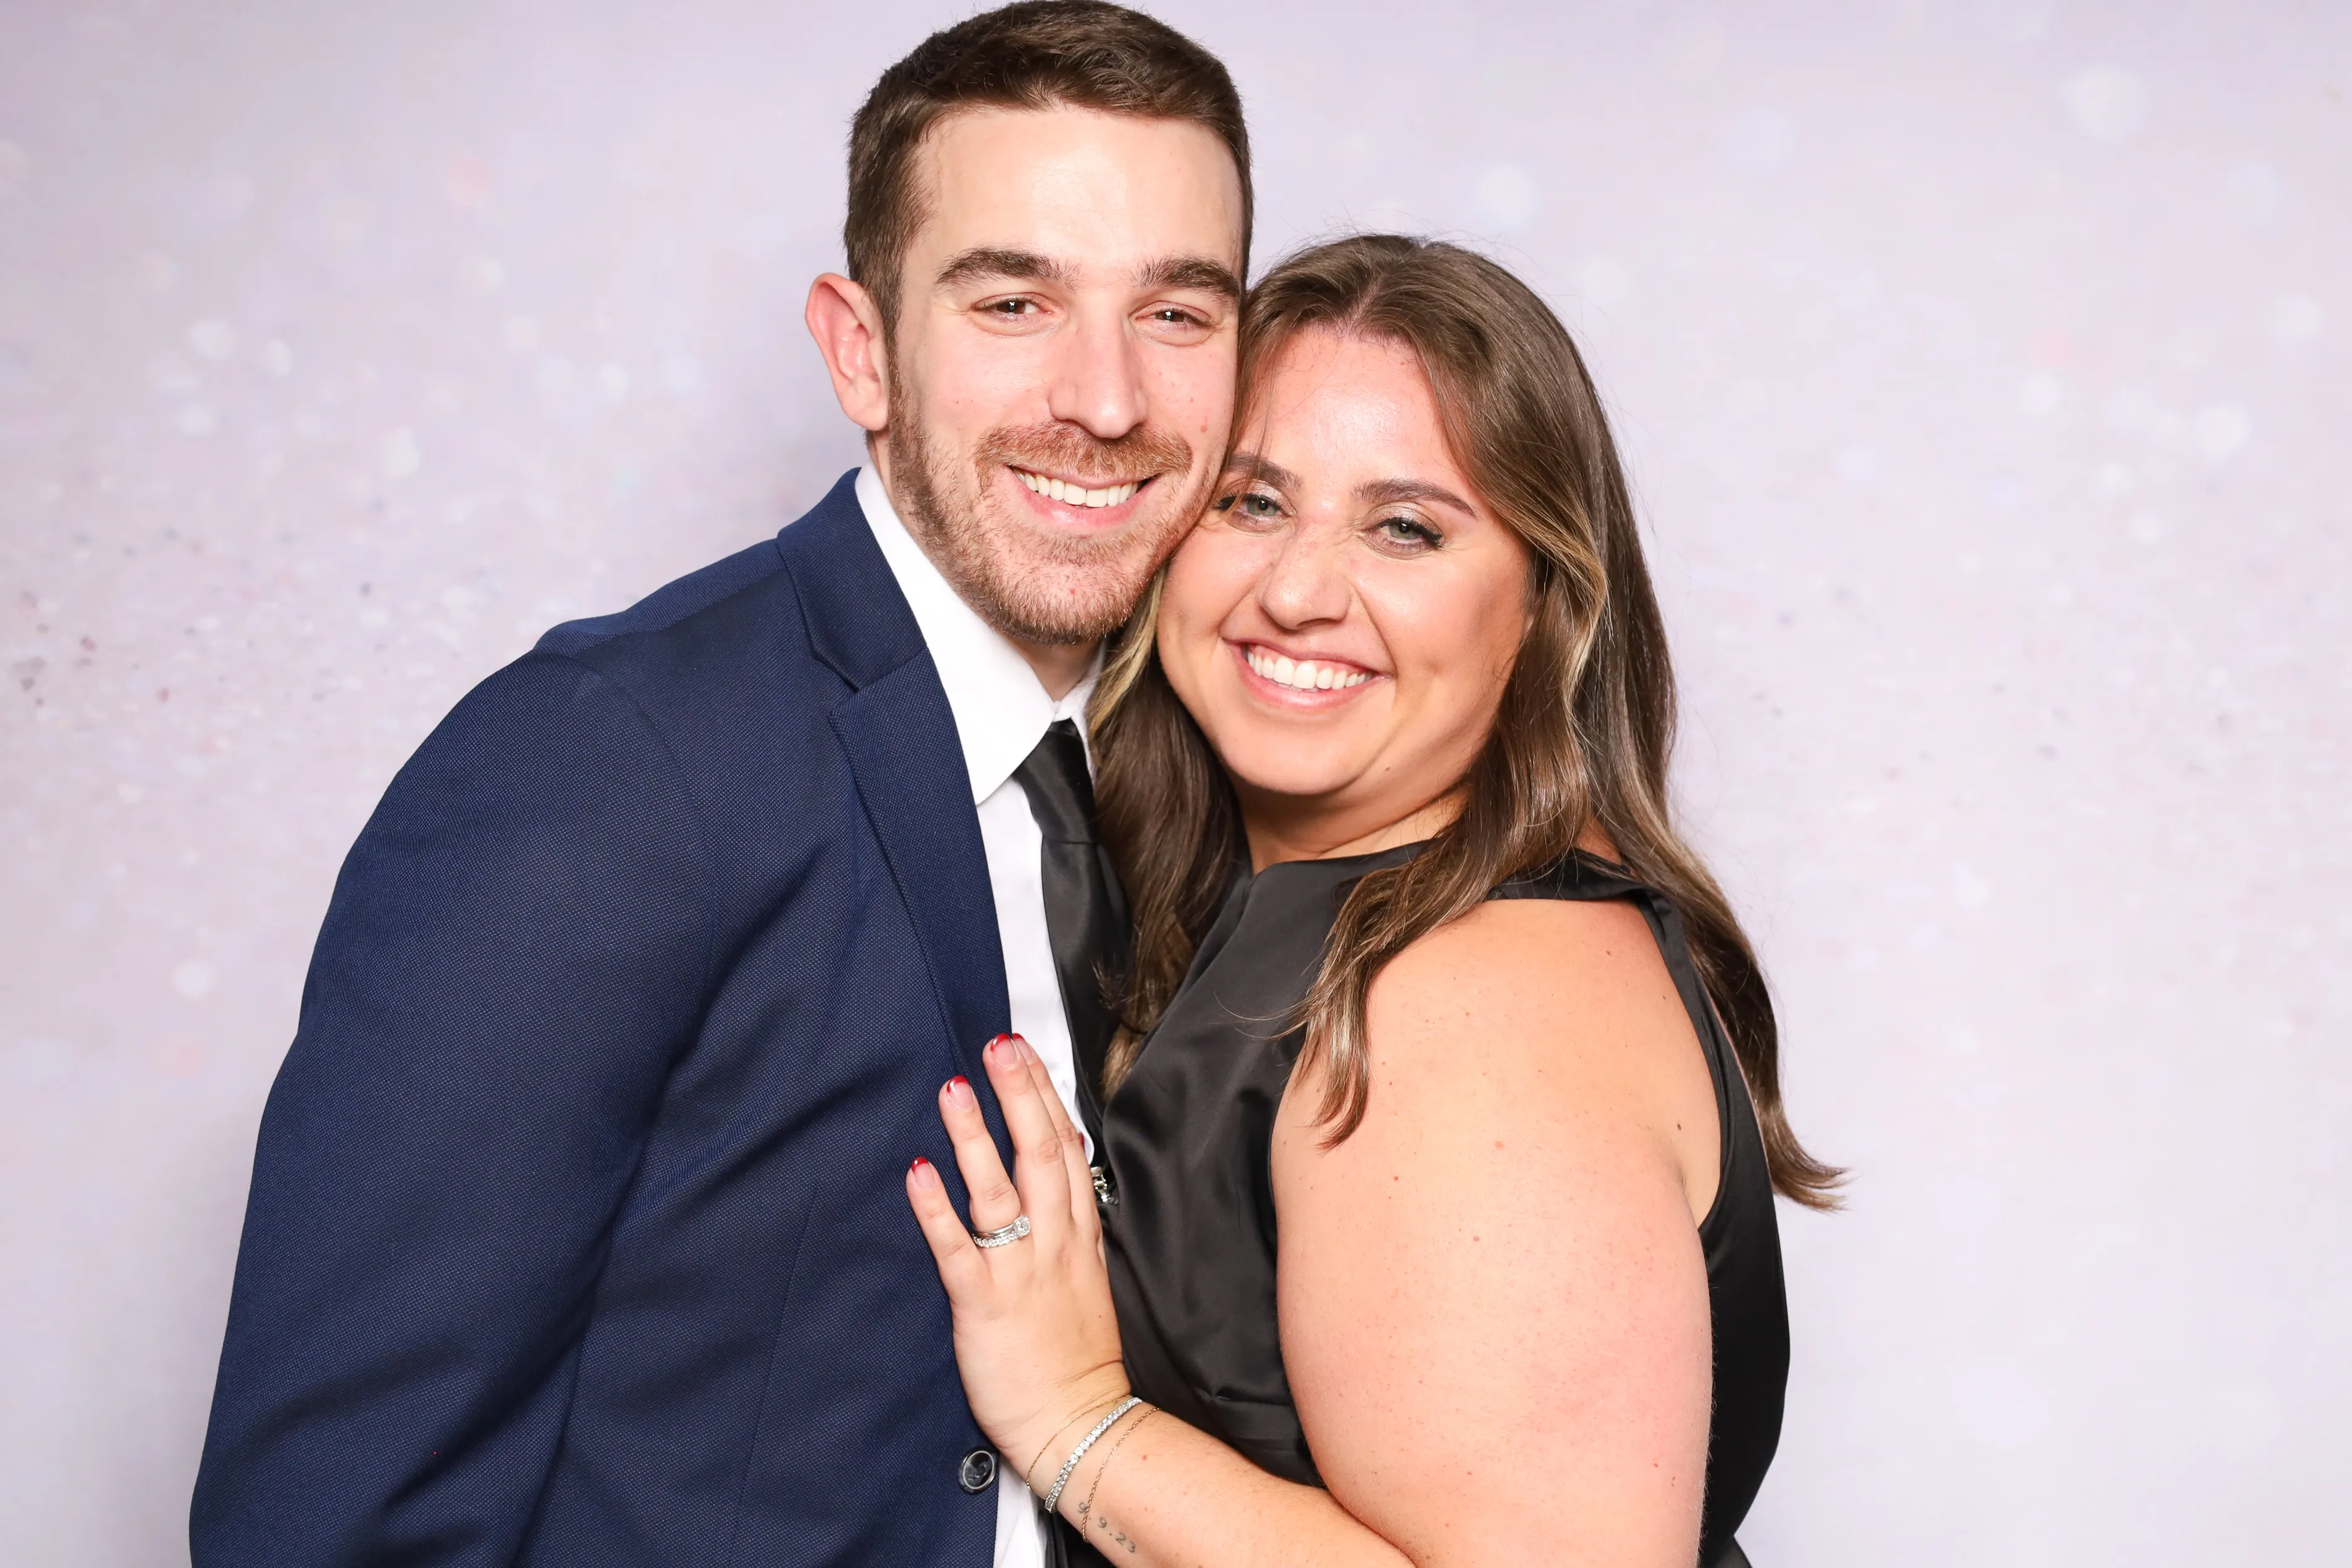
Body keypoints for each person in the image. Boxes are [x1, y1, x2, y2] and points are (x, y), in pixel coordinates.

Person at [189, 6, 1248, 1564]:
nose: (1104, 399)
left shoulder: (1204, 758)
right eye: (1013, 300)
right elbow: (328, 1519)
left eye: (1176, 312)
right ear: (861, 349)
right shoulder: (601, 764)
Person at [904, 236, 1842, 1568]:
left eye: (1405, 526)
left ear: (1546, 608)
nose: (1296, 591)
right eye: (1250, 501)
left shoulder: (1472, 996)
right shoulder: (1345, 920)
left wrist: (1076, 1420)